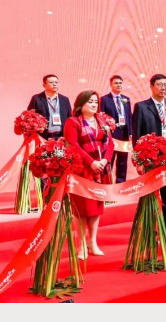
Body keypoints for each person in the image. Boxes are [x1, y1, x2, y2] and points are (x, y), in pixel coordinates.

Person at [132, 74, 166, 242]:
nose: (163, 88)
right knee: (150, 195)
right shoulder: (142, 107)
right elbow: (137, 135)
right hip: (151, 158)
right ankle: (149, 231)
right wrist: (139, 160)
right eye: (160, 84)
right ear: (152, 86)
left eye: (165, 85)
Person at [63, 90, 114, 259]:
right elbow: (73, 145)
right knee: (81, 210)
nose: (94, 104)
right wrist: (91, 162)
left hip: (100, 172)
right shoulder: (73, 122)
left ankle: (93, 242)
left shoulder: (102, 121)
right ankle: (81, 245)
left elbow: (110, 144)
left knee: (96, 209)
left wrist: (105, 161)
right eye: (90, 101)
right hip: (82, 172)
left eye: (95, 102)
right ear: (81, 104)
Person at [99, 75, 132, 183]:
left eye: (120, 83)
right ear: (111, 84)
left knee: (123, 160)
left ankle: (121, 183)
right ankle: (108, 183)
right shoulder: (104, 99)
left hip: (124, 133)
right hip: (111, 133)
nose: (118, 85)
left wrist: (131, 132)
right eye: (116, 83)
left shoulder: (126, 99)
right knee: (110, 159)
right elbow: (101, 116)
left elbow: (129, 117)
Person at [27, 74, 71, 140]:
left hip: (61, 137)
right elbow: (29, 117)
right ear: (44, 85)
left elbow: (69, 118)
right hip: (43, 137)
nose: (54, 84)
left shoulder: (64, 99)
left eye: (56, 82)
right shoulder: (37, 98)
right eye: (51, 82)